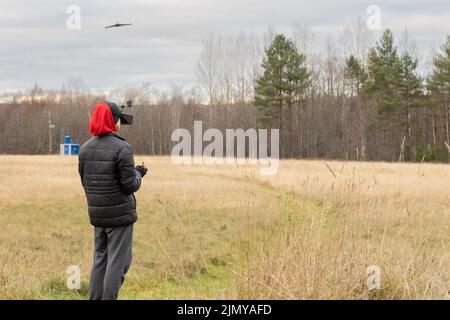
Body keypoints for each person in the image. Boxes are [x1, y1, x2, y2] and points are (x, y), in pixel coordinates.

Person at [78, 101, 148, 300]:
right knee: (119, 263)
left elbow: (86, 181)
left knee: (100, 260)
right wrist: (139, 173)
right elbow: (130, 185)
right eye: (118, 119)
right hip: (119, 218)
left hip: (98, 215)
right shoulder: (122, 148)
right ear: (112, 120)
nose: (119, 123)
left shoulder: (84, 149)